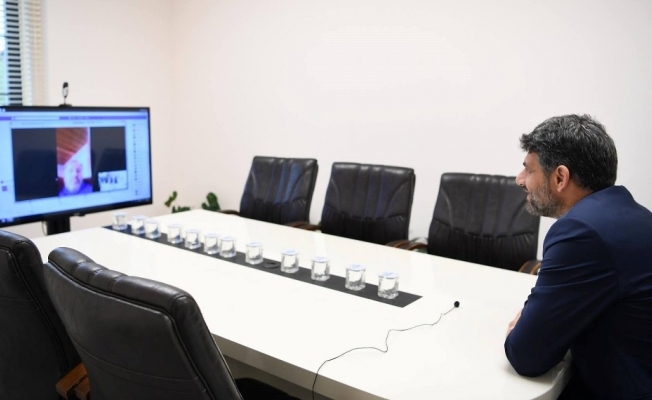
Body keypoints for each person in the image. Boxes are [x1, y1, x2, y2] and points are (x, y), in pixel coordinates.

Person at [504, 114, 652, 399]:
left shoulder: (581, 231)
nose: (519, 179)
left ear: (560, 177)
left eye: (529, 169)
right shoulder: (633, 214)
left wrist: (525, 323)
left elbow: (526, 355)